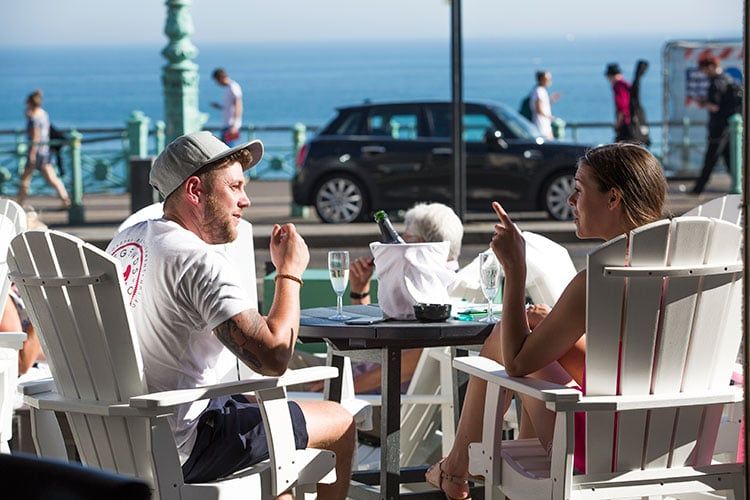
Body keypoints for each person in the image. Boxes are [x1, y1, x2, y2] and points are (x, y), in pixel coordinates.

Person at [106, 131, 354, 499]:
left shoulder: (126, 244)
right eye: (235, 187)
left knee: (271, 452)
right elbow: (274, 356)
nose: (246, 200)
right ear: (195, 190)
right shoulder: (196, 260)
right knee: (340, 423)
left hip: (119, 440)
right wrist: (289, 271)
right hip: (182, 444)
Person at [425, 142, 667, 499]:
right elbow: (628, 372)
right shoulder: (695, 268)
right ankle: (459, 466)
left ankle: (457, 467)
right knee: (528, 330)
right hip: (679, 437)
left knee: (505, 343)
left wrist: (515, 269)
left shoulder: (600, 279)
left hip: (604, 449)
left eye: (580, 190)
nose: (571, 201)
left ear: (613, 198)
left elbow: (519, 361)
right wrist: (554, 328)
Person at [691, 54, 743, 195]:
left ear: (711, 67)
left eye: (704, 69)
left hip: (718, 128)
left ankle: (698, 189)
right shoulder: (727, 79)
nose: (704, 73)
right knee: (729, 159)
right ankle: (740, 185)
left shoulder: (715, 83)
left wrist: (702, 103)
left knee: (711, 158)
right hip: (729, 127)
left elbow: (715, 106)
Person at [19, 90, 71, 209]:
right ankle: (66, 200)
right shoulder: (44, 114)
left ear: (30, 103)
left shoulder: (34, 119)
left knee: (25, 179)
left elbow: (35, 138)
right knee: (52, 178)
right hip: (45, 151)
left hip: (36, 152)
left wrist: (31, 154)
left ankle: (19, 204)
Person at [211, 68, 243, 147]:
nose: (217, 83)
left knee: (228, 150)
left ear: (220, 78)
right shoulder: (228, 88)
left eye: (217, 80)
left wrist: (235, 124)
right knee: (225, 148)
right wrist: (219, 106)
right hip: (227, 124)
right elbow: (229, 107)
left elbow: (238, 105)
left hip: (230, 125)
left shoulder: (233, 87)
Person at [605, 63, 635, 142]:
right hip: (632, 122)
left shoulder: (618, 86)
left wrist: (618, 123)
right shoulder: (626, 84)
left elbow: (622, 106)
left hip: (625, 124)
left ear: (611, 76)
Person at [529, 71, 560, 140]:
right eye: (548, 79)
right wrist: (550, 117)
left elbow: (542, 106)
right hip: (540, 124)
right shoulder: (538, 91)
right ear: (542, 79)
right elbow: (538, 109)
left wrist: (551, 100)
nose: (550, 81)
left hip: (544, 124)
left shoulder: (541, 90)